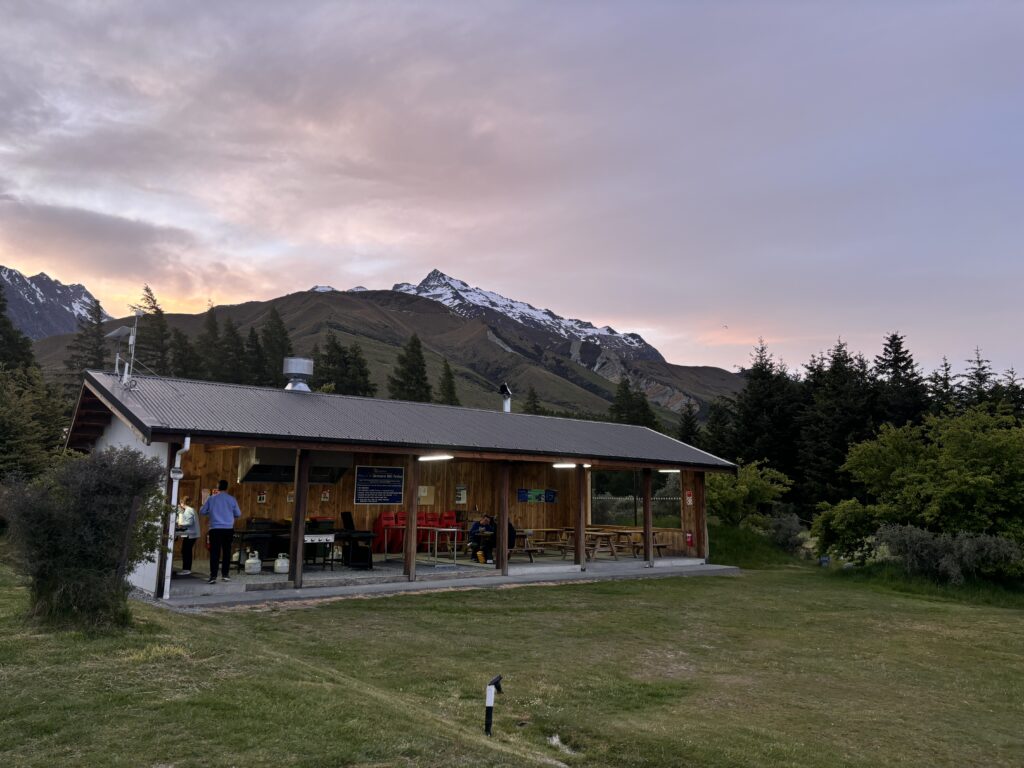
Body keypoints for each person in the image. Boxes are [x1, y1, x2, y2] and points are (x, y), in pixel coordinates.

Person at [200, 479, 241, 584]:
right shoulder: (232, 499)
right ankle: (225, 575)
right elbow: (238, 514)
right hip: (228, 529)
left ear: (217, 487)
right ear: (226, 487)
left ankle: (213, 576)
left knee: (215, 552)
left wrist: (211, 512)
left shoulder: (211, 499)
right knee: (227, 552)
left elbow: (202, 511)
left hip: (215, 529)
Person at [175, 495, 200, 575]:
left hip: (190, 534)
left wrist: (180, 524)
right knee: (186, 551)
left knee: (186, 551)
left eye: (180, 503)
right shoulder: (191, 509)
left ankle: (186, 569)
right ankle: (186, 569)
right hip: (191, 534)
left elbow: (189, 523)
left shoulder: (188, 510)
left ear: (182, 503)